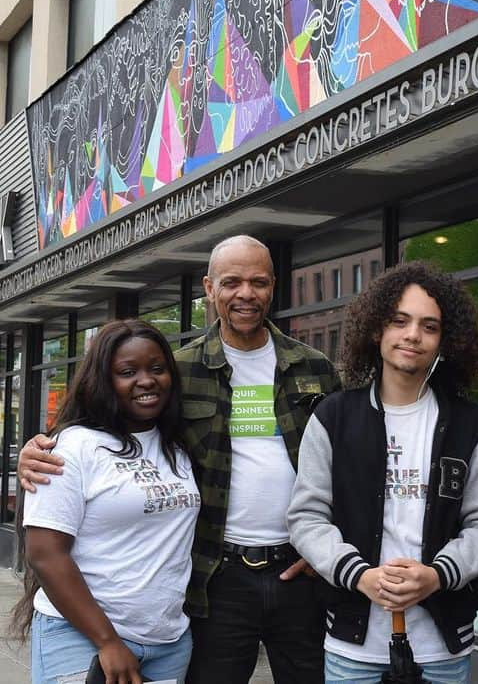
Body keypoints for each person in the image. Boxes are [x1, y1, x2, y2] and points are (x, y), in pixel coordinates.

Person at [19, 234, 343, 683]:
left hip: (300, 570)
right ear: (209, 288)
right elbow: (110, 423)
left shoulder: (315, 367)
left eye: (259, 282)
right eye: (231, 282)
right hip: (217, 576)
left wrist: (329, 545)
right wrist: (40, 450)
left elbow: (345, 461)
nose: (246, 294)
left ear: (273, 287)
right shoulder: (177, 369)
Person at [287, 260, 478, 684]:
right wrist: (360, 576)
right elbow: (306, 516)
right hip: (353, 642)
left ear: (446, 339)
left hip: (443, 643)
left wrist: (438, 575)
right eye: (399, 321)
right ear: (376, 329)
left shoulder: (471, 425)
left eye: (429, 326)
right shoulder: (334, 417)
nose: (412, 335)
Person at [15, 319, 200, 684]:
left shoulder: (177, 446)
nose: (146, 380)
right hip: (82, 638)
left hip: (168, 644)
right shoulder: (74, 446)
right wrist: (108, 641)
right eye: (127, 372)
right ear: (103, 381)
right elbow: (45, 552)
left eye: (157, 369)